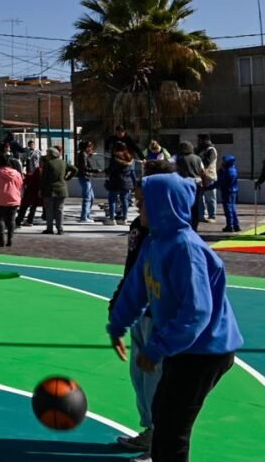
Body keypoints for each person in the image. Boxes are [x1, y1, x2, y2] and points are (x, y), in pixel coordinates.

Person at [108, 173, 243, 462]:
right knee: (162, 415)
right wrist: (117, 324)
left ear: (163, 204)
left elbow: (197, 311)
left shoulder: (185, 249)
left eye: (143, 202)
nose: (137, 208)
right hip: (184, 347)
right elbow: (135, 288)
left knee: (172, 429)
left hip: (206, 350)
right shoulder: (154, 243)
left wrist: (158, 347)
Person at [107, 159, 172, 454]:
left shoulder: (171, 233)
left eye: (142, 195)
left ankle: (160, 441)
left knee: (156, 380)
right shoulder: (140, 226)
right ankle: (150, 430)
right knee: (140, 377)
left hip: (159, 317)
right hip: (140, 314)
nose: (137, 199)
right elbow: (132, 270)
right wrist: (119, 304)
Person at [0, 154, 23, 247]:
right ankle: (10, 239)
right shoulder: (16, 173)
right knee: (11, 219)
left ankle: (1, 240)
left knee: (0, 219)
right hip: (13, 198)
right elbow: (20, 184)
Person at [173, 141, 207, 232]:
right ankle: (194, 226)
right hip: (197, 183)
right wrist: (204, 184)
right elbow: (203, 172)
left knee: (185, 205)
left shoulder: (179, 159)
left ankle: (186, 225)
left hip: (184, 183)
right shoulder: (198, 158)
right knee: (195, 206)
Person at [41, 147, 73, 235]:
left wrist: (41, 189)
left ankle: (49, 228)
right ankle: (60, 228)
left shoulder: (48, 164)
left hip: (50, 189)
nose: (46, 156)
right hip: (62, 189)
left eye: (47, 154)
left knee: (49, 210)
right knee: (59, 210)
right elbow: (75, 169)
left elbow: (44, 178)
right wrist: (67, 178)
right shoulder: (63, 162)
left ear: (51, 155)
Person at [105, 142, 136, 226]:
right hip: (127, 182)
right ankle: (124, 219)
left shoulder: (115, 157)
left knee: (112, 200)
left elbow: (110, 170)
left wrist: (106, 172)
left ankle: (112, 219)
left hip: (115, 181)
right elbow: (132, 172)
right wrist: (134, 183)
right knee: (125, 200)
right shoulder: (130, 157)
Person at [196, 135, 218, 223]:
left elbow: (207, 162)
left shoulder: (211, 150)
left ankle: (212, 216)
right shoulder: (199, 150)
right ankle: (201, 215)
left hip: (209, 176)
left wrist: (199, 160)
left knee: (210, 197)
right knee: (199, 198)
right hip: (200, 176)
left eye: (199, 140)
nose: (198, 142)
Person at [76, 141, 98, 222]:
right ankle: (84, 217)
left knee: (91, 197)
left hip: (86, 177)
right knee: (87, 197)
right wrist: (95, 171)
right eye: (90, 147)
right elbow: (84, 167)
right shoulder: (83, 155)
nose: (91, 149)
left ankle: (87, 215)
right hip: (84, 177)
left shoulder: (85, 155)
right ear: (87, 148)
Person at [218, 155, 241, 233]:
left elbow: (221, 181)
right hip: (233, 191)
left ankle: (230, 225)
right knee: (233, 208)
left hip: (227, 191)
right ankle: (236, 225)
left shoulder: (227, 171)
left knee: (228, 209)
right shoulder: (233, 169)